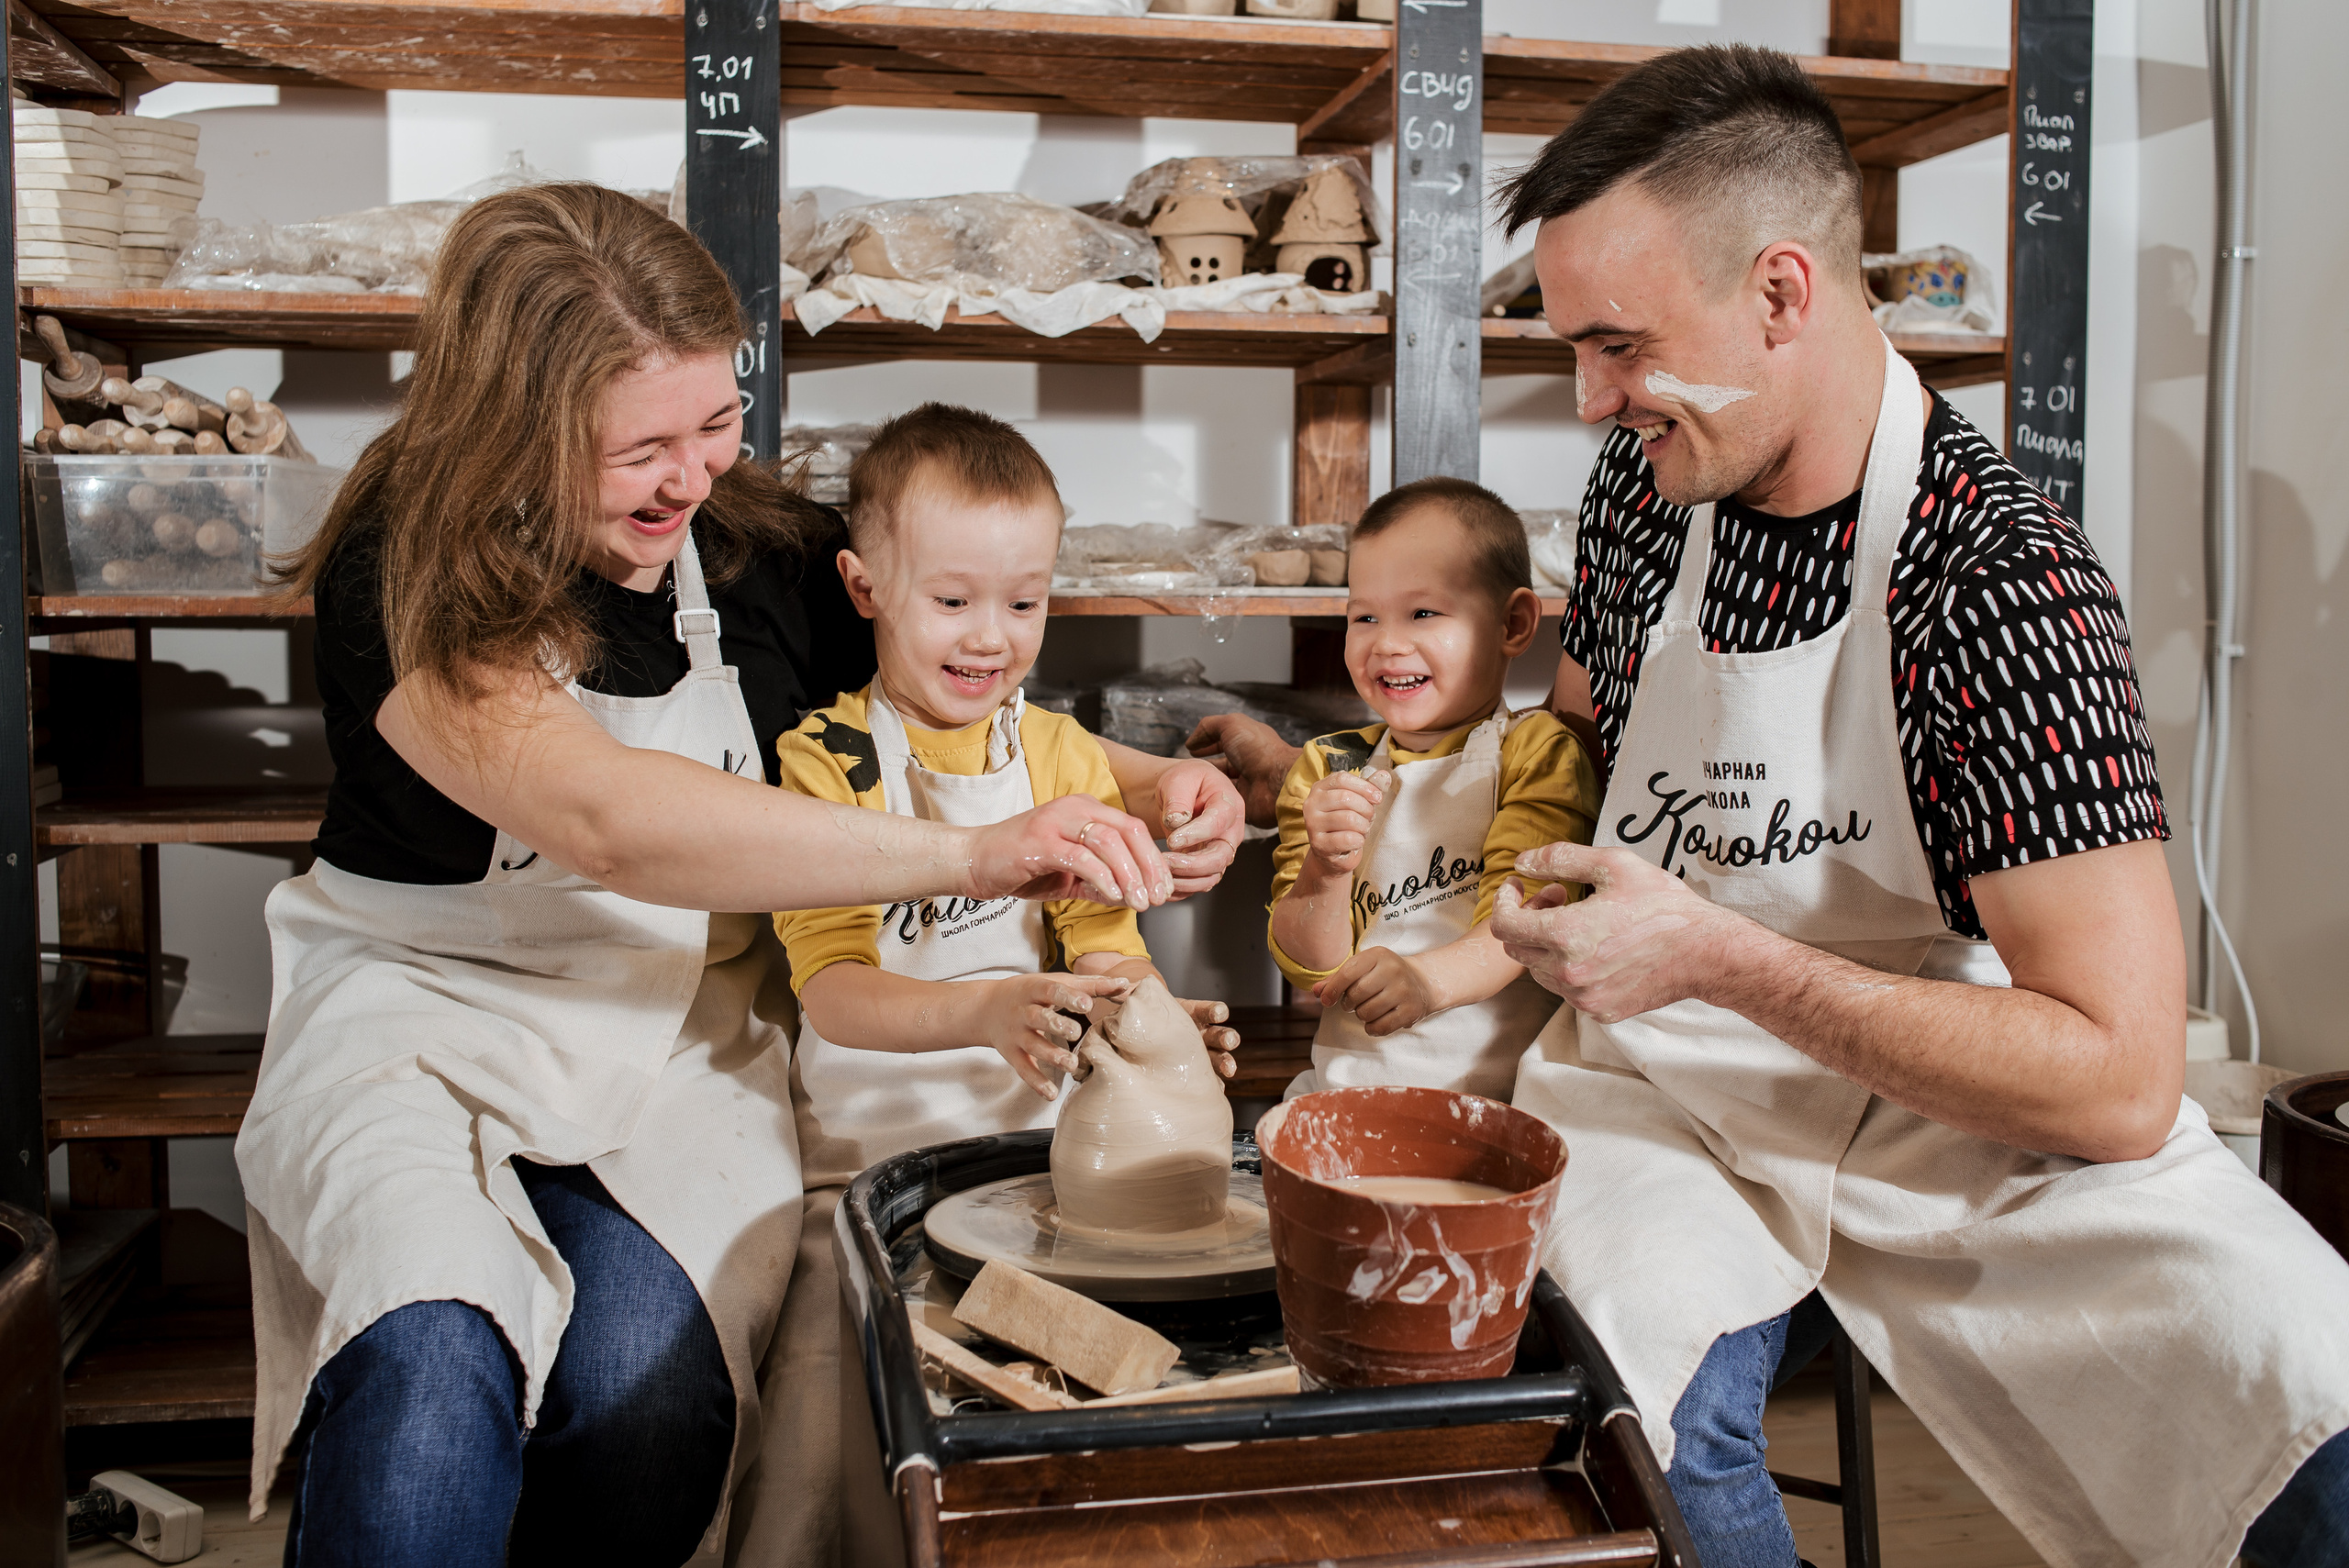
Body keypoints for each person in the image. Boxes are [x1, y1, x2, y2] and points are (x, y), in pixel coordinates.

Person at [1194, 46, 2349, 1568]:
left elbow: (2120, 1081)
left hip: (1943, 1095)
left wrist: (1724, 955)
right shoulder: (1643, 492)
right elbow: (1568, 778)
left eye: (1620, 344)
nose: (1595, 397)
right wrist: (1356, 819)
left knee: (2300, 1379)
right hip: (1651, 1082)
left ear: (1784, 295)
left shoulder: (1998, 577)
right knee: (1631, 1426)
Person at [237, 184, 1243, 1568]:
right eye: (638, 448)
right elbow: (606, 820)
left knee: (647, 1391)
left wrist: (1157, 785)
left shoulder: (757, 555)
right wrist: (974, 854)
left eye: (715, 424)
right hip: (424, 1014)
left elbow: (953, 699)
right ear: (509, 426)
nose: (692, 476)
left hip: (679, 1038)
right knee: (430, 1354)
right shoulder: (400, 563)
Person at [751, 404, 1241, 1562]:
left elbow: (1107, 949)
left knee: (1058, 1427)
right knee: (830, 1456)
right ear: (864, 585)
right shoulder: (827, 760)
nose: (991, 637)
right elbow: (834, 993)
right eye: (953, 599)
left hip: (1031, 1163)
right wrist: (982, 1009)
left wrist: (1154, 1027)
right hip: (857, 1174)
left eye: (1024, 601)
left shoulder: (1061, 756)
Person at [1265, 477, 1597, 1098]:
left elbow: (1523, 923)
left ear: (1514, 623)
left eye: (1423, 612)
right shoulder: (1328, 766)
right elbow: (1306, 962)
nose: (1386, 642)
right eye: (1364, 616)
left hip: (1503, 1103)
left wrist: (1426, 982)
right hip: (1343, 1092)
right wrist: (1327, 869)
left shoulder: (1536, 753)